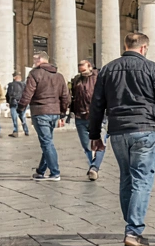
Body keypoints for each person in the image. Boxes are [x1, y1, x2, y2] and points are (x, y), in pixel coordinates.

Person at [87, 32, 155, 246]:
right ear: (144, 48)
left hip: (117, 131)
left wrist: (95, 135)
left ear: (125, 45)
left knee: (126, 176)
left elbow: (97, 104)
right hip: (145, 128)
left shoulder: (108, 69)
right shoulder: (153, 68)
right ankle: (133, 231)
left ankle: (131, 224)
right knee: (142, 179)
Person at [19, 52, 70, 181]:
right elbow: (65, 96)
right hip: (54, 112)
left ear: (41, 60)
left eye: (35, 59)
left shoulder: (35, 74)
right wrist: (62, 113)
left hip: (40, 111)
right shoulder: (59, 76)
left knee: (47, 143)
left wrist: (21, 108)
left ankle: (55, 172)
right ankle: (41, 171)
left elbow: (27, 93)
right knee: (47, 142)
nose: (34, 62)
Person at [69, 60, 104, 181]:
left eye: (83, 70)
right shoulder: (77, 80)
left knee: (99, 144)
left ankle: (94, 168)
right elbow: (72, 97)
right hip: (80, 116)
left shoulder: (99, 78)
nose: (81, 72)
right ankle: (92, 166)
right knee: (86, 145)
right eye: (80, 70)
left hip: (97, 116)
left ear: (90, 67)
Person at [6, 72, 28, 137]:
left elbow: (8, 94)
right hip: (23, 102)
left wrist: (8, 102)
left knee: (14, 117)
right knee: (22, 117)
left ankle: (15, 131)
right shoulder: (24, 85)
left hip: (13, 102)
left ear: (14, 77)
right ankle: (26, 130)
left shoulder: (11, 85)